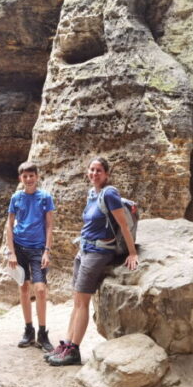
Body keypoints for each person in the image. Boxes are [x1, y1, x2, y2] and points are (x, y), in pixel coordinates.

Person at [47, 156, 138, 366]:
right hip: (84, 250)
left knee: (83, 302)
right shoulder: (92, 194)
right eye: (92, 170)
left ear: (106, 174)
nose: (94, 174)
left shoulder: (110, 194)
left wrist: (132, 253)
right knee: (77, 301)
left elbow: (123, 226)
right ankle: (66, 344)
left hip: (98, 252)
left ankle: (74, 350)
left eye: (99, 171)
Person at [5, 162, 56, 352]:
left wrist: (47, 251)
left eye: (31, 176)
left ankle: (43, 333)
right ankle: (29, 330)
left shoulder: (45, 198)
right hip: (19, 248)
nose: (28, 179)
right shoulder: (16, 198)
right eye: (25, 176)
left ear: (37, 176)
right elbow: (9, 225)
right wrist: (11, 252)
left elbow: (49, 225)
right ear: (21, 178)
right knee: (24, 287)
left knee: (41, 289)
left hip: (38, 249)